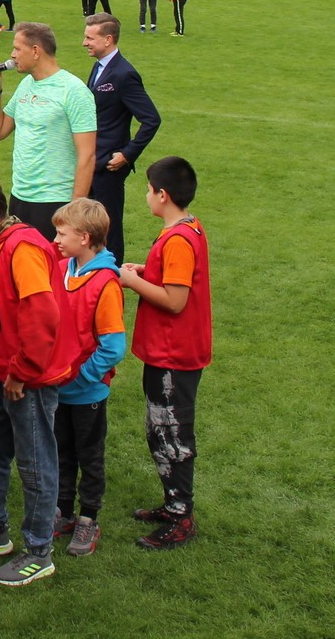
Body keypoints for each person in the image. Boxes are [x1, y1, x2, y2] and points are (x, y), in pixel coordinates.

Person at [0, 178, 78, 587]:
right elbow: (17, 312)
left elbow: (42, 315)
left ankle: (39, 551)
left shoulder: (22, 248)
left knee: (34, 461)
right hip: (13, 366)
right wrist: (1, 353)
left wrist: (21, 372)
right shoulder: (4, 243)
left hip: (31, 375)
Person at [120, 156, 211, 549]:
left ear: (162, 195)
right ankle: (173, 504)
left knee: (170, 433)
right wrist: (148, 272)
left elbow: (175, 301)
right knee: (160, 429)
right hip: (170, 351)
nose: (146, 196)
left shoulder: (177, 240)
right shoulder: (188, 228)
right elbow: (176, 279)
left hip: (174, 354)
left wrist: (130, 281)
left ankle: (181, 516)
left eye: (148, 189)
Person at [50, 197, 125, 556]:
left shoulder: (105, 283)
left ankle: (88, 518)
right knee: (61, 452)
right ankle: (63, 511)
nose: (55, 240)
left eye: (61, 233)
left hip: (86, 392)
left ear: (84, 237)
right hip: (59, 387)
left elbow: (113, 347)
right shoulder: (62, 270)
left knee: (89, 456)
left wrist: (80, 379)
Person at [0, 22, 96, 239]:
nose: (12, 55)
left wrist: (75, 211)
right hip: (20, 195)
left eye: (17, 48)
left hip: (55, 200)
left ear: (35, 51)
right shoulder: (26, 85)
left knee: (49, 261)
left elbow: (87, 155)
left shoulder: (74, 91)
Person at [81, 14, 162, 262]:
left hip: (109, 167)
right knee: (87, 226)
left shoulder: (124, 74)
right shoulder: (99, 66)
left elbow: (151, 119)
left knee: (109, 229)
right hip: (91, 163)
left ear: (108, 39)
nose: (84, 42)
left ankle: (112, 277)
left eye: (89, 38)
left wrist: (127, 155)